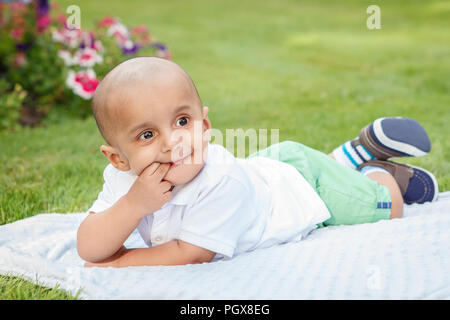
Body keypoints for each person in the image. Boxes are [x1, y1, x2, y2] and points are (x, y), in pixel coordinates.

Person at [77, 56, 439, 268]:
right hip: (270, 170)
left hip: (309, 187)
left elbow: (191, 252)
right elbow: (90, 248)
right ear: (118, 159)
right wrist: (133, 204)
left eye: (182, 122)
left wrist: (119, 263)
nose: (173, 141)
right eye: (146, 135)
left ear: (204, 125)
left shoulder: (219, 181)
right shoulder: (123, 182)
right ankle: (349, 156)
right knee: (322, 169)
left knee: (388, 207)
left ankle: (384, 173)